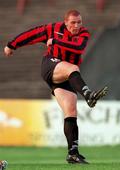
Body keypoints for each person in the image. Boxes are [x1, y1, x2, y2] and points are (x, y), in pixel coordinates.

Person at [4, 9, 108, 164]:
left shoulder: (84, 33)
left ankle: (73, 153)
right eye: (73, 22)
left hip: (66, 77)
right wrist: (12, 45)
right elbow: (32, 34)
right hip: (50, 66)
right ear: (65, 22)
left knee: (71, 111)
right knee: (74, 68)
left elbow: (78, 48)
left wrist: (56, 41)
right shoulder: (54, 28)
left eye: (79, 22)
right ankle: (88, 94)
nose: (76, 25)